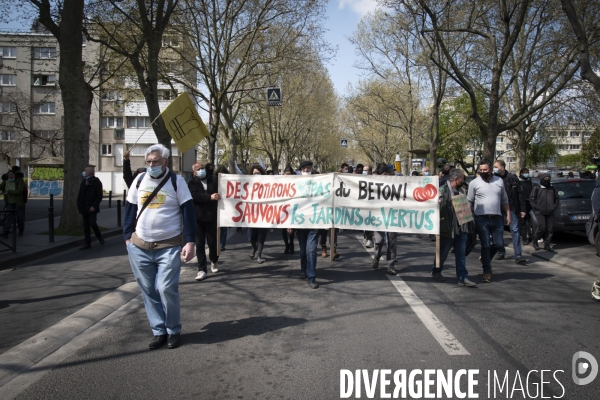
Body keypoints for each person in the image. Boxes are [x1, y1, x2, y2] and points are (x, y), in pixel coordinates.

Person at [123, 144, 196, 350]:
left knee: (165, 288)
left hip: (168, 246)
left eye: (156, 161)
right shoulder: (138, 180)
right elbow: (129, 209)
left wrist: (190, 242)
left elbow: (188, 212)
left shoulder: (176, 181)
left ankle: (173, 329)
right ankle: (159, 330)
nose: (151, 165)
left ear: (165, 161)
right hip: (139, 247)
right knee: (148, 290)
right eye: (148, 162)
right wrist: (127, 237)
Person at [431, 169, 477, 287]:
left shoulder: (462, 190)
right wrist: (438, 204)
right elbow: (434, 209)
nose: (464, 181)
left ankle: (462, 277)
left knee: (461, 254)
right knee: (443, 253)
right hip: (447, 229)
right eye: (462, 178)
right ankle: (436, 271)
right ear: (456, 179)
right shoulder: (442, 191)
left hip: (462, 228)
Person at [467, 160, 510, 283]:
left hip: (497, 218)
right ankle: (486, 271)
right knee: (485, 245)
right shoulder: (474, 183)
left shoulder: (499, 181)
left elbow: (504, 199)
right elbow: (469, 201)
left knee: (499, 244)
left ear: (490, 169)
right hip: (481, 218)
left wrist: (508, 214)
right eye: (481, 170)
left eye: (485, 170)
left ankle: (485, 259)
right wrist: (469, 218)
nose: (482, 172)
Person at [188, 162, 221, 281]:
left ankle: (214, 260)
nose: (201, 170)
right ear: (194, 172)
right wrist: (210, 197)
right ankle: (202, 269)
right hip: (198, 218)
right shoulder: (192, 183)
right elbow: (194, 196)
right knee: (200, 244)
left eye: (202, 168)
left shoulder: (215, 180)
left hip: (213, 217)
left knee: (212, 243)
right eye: (198, 169)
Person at [493, 160, 527, 264]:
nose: (494, 168)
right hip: (497, 209)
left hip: (512, 208)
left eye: (495, 166)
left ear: (502, 167)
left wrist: (523, 209)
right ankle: (501, 252)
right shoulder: (493, 179)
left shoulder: (512, 178)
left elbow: (520, 194)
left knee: (515, 230)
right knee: (498, 231)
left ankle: (518, 255)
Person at [295, 160, 320, 289]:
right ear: (300, 171)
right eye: (304, 168)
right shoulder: (294, 185)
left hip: (314, 222)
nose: (306, 170)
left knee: (311, 250)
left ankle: (311, 277)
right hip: (300, 223)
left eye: (309, 168)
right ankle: (303, 269)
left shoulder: (320, 183)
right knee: (303, 251)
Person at [371, 164, 399, 276]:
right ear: (384, 175)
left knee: (392, 242)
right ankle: (376, 257)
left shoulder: (397, 185)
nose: (393, 174)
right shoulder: (374, 185)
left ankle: (390, 265)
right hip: (378, 216)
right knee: (379, 241)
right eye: (391, 173)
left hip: (392, 216)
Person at [76, 166, 104, 249]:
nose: (84, 172)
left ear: (90, 172)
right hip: (84, 207)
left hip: (92, 207)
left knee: (92, 222)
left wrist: (94, 206)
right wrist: (78, 203)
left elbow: (99, 196)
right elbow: (80, 194)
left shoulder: (96, 182)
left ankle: (99, 237)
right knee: (86, 225)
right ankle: (87, 243)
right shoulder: (84, 182)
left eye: (85, 171)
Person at [529, 173, 559, 251]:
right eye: (545, 178)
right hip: (540, 211)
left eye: (548, 178)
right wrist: (537, 207)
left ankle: (547, 244)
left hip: (550, 211)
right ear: (542, 179)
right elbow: (532, 199)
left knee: (550, 229)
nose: (547, 180)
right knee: (542, 227)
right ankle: (535, 241)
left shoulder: (552, 188)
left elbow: (557, 199)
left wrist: (554, 207)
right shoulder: (537, 188)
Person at [247, 165, 269, 263]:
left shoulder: (267, 184)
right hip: (252, 214)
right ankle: (254, 247)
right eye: (254, 173)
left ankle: (259, 255)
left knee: (261, 236)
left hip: (264, 214)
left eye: (258, 173)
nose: (256, 175)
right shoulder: (247, 184)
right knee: (251, 235)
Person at [0, 170, 25, 238]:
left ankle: (21, 229)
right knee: (8, 217)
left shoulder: (19, 181)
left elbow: (19, 191)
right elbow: (1, 187)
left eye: (12, 175)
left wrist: (9, 192)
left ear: (15, 175)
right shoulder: (6, 181)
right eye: (9, 175)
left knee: (19, 217)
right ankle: (5, 231)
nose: (10, 176)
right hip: (9, 202)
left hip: (17, 203)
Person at [518, 168, 536, 245]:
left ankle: (531, 236)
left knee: (532, 221)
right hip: (522, 204)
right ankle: (524, 238)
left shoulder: (530, 182)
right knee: (523, 222)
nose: (526, 174)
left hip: (530, 203)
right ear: (521, 173)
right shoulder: (519, 182)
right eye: (525, 172)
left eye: (527, 172)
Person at [216, 165, 230, 251]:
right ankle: (217, 244)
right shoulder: (214, 181)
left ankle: (222, 245)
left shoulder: (229, 182)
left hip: (226, 207)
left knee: (224, 228)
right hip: (216, 207)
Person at [282, 166, 296, 254]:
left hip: (292, 208)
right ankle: (286, 244)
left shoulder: (295, 182)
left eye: (289, 174)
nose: (287, 176)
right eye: (286, 174)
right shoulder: (281, 183)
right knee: (283, 229)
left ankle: (291, 243)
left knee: (292, 229)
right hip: (282, 208)